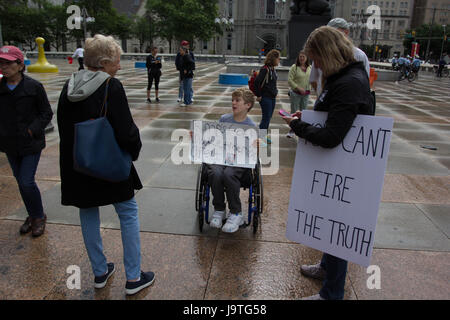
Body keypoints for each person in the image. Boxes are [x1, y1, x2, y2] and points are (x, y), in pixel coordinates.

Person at [57, 34, 155, 295]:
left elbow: (64, 130)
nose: (120, 66)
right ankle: (134, 278)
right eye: (117, 61)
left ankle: (100, 271)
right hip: (109, 164)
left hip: (78, 165)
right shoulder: (111, 86)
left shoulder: (69, 86)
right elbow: (126, 131)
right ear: (103, 62)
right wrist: (133, 152)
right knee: (128, 212)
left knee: (88, 212)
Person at [281, 26, 374, 300]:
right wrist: (308, 117)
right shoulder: (342, 77)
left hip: (343, 169)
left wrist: (298, 127)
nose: (316, 66)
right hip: (335, 169)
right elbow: (331, 116)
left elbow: (333, 135)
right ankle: (326, 267)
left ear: (329, 53)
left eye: (317, 59)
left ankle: (331, 294)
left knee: (339, 227)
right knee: (330, 222)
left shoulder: (349, 83)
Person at [0, 45, 53, 237]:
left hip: (30, 143)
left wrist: (32, 130)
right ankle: (32, 215)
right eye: (1, 63)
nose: (4, 67)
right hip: (9, 143)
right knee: (20, 181)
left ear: (20, 65)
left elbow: (46, 112)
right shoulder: (1, 88)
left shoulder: (34, 87)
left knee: (26, 182)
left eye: (8, 63)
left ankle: (38, 216)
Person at [206, 87, 257, 233]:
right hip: (221, 157)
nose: (233, 103)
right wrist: (198, 136)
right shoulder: (224, 119)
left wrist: (259, 144)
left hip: (239, 161)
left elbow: (260, 145)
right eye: (232, 100)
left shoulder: (251, 126)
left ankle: (236, 212)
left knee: (229, 174)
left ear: (248, 105)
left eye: (237, 100)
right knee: (215, 172)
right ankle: (219, 209)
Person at [309, 18, 370, 95]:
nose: (332, 37)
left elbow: (364, 82)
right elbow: (313, 79)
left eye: (336, 33)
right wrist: (322, 95)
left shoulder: (360, 55)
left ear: (346, 33)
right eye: (329, 33)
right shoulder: (322, 53)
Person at [254, 49, 280, 144]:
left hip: (272, 97)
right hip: (265, 98)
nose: (279, 60)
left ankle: (263, 136)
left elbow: (272, 83)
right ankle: (260, 138)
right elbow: (257, 82)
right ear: (274, 58)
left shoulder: (273, 69)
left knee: (268, 117)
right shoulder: (265, 69)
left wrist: (276, 91)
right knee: (265, 118)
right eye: (278, 58)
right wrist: (259, 95)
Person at [287, 50, 311, 138]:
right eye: (300, 56)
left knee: (303, 112)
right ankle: (292, 130)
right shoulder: (294, 67)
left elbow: (312, 80)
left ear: (307, 58)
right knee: (294, 112)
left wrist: (310, 88)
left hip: (306, 94)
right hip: (295, 93)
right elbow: (290, 80)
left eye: (303, 57)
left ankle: (301, 130)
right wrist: (298, 88)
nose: (301, 58)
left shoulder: (310, 68)